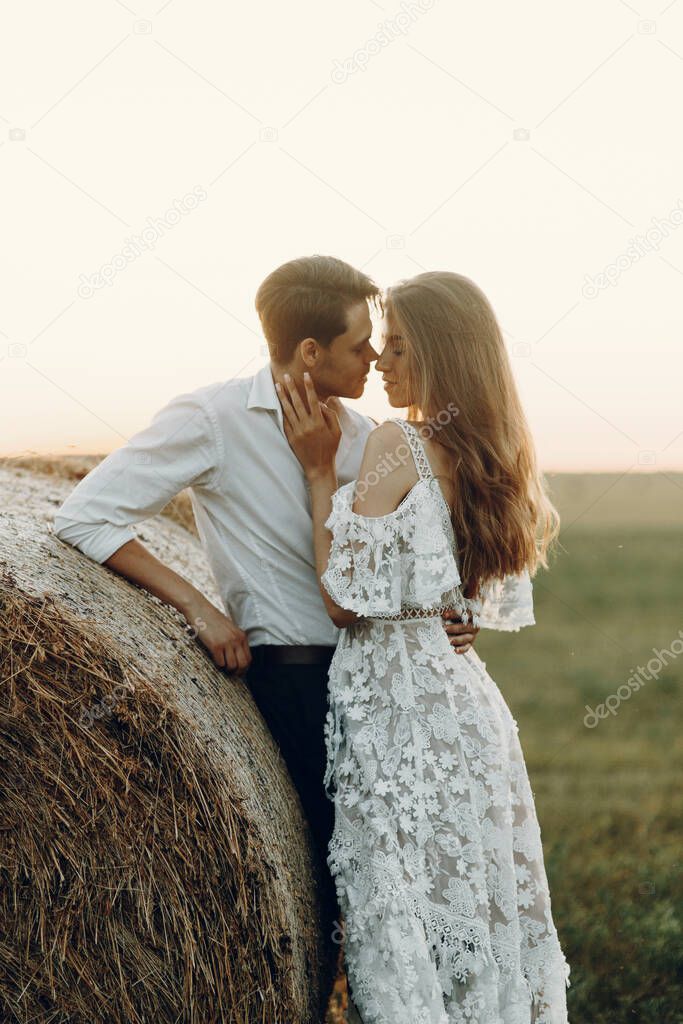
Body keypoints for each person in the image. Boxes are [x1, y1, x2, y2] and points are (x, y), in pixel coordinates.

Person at [51, 256, 478, 1019]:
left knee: (405, 895)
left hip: (389, 685)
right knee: (320, 893)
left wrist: (449, 612)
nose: (375, 357)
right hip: (295, 685)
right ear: (309, 352)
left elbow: (398, 558)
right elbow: (87, 515)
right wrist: (199, 608)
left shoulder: (371, 437)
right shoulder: (212, 419)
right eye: (357, 345)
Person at [277, 270, 572, 1024]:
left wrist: (318, 475)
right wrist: (449, 618)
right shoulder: (488, 452)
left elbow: (345, 601)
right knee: (469, 913)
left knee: (399, 916)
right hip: (465, 715)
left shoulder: (395, 441)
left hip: (399, 720)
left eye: (398, 348)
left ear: (441, 358)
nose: (379, 362)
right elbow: (455, 594)